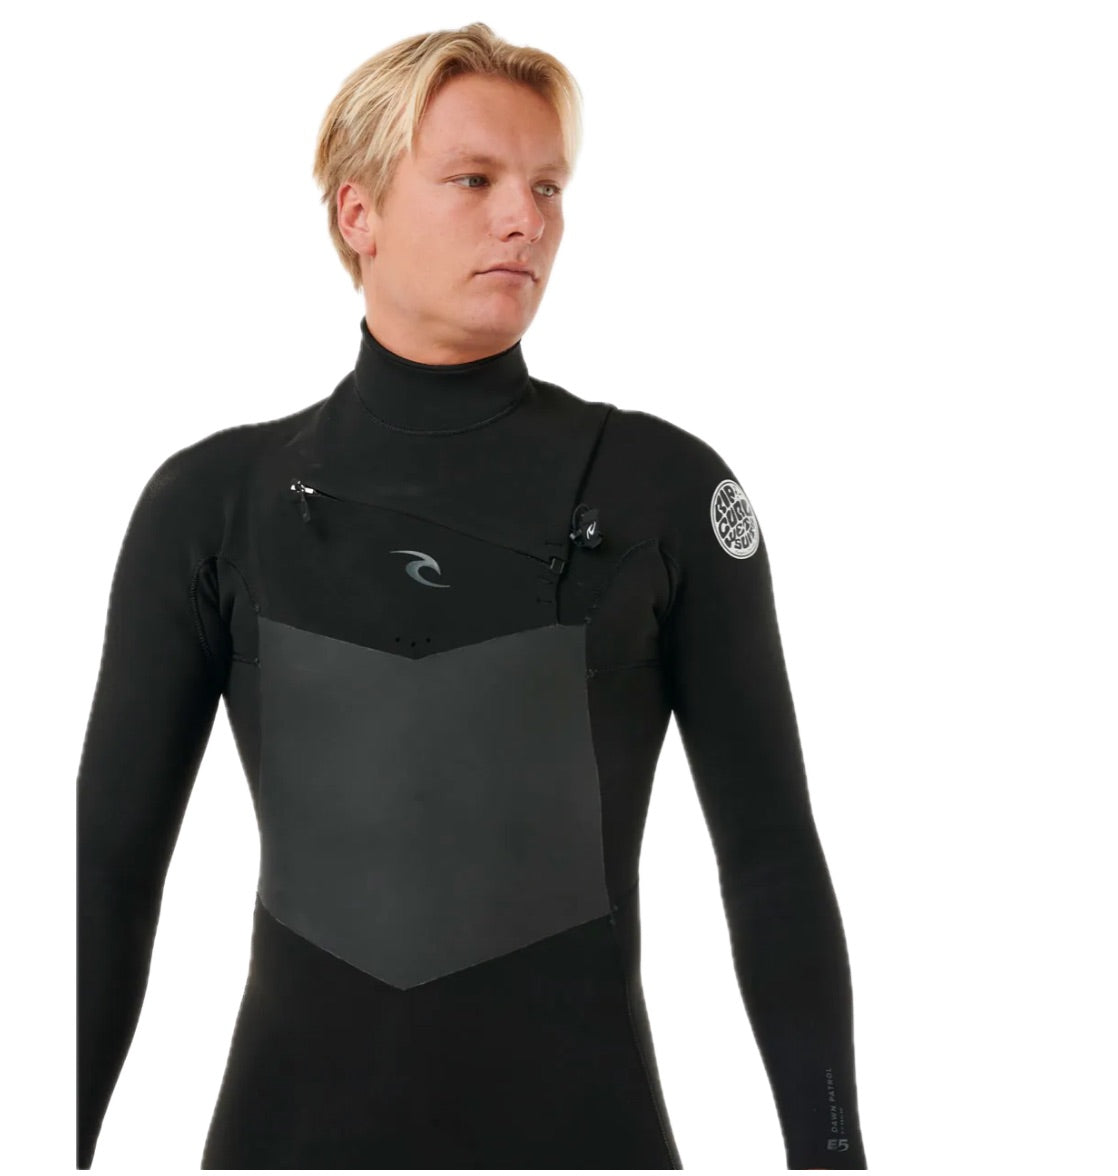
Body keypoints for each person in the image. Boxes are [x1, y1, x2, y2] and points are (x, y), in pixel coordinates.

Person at [76, 20, 868, 1170]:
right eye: (474, 180)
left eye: (547, 186)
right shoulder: (214, 504)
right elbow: (103, 880)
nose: (524, 219)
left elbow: (771, 860)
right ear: (357, 214)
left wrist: (833, 1153)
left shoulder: (662, 490)